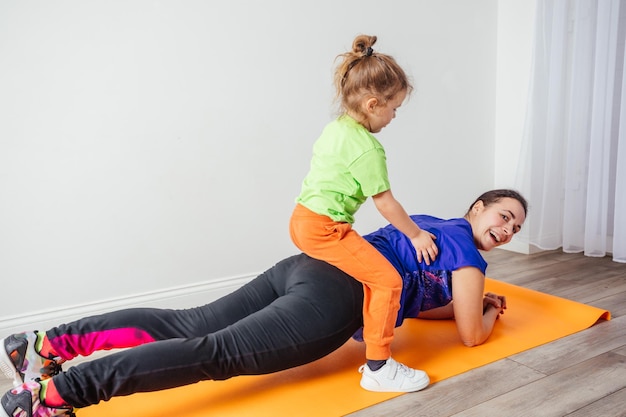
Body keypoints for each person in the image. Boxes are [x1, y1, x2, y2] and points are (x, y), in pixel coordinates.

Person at [1, 189, 527, 417]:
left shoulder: (434, 225)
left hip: (308, 267)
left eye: (516, 228)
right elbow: (469, 334)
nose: (506, 230)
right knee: (213, 352)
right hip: (333, 301)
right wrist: (485, 308)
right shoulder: (470, 262)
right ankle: (53, 397)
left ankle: (46, 344)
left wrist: (469, 299)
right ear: (478, 208)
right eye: (503, 216)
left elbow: (416, 299)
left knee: (189, 323)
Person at [290, 34, 438, 390]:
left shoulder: (337, 128)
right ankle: (378, 366)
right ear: (373, 104)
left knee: (369, 272)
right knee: (388, 281)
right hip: (324, 228)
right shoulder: (367, 148)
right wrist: (415, 234)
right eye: (394, 108)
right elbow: (385, 202)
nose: (394, 116)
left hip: (302, 219)